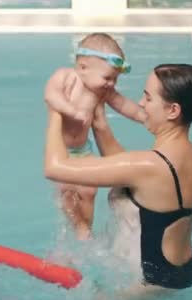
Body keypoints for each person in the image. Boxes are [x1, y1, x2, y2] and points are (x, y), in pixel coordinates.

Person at [44, 64, 192, 289]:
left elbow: (54, 168)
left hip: (146, 289)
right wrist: (98, 116)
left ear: (173, 110)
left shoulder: (149, 165)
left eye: (148, 97)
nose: (141, 103)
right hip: (183, 271)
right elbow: (128, 173)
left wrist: (56, 110)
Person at [43, 33, 133, 239]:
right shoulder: (65, 77)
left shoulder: (99, 91)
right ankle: (78, 226)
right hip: (63, 151)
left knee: (90, 191)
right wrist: (72, 111)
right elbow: (50, 95)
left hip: (83, 149)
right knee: (67, 191)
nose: (111, 84)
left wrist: (143, 117)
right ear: (83, 67)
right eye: (108, 78)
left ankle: (86, 229)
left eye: (115, 79)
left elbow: (123, 104)